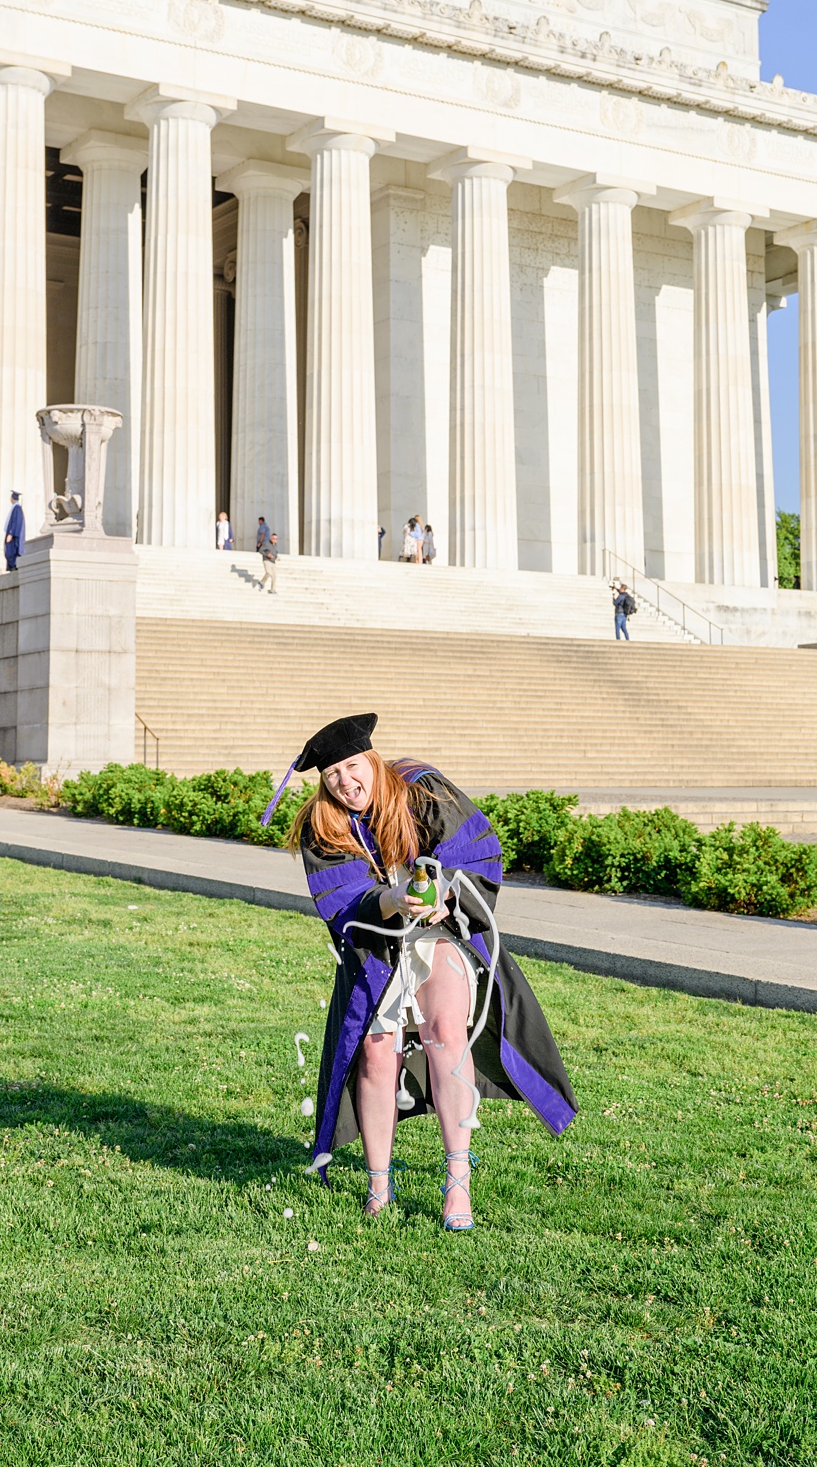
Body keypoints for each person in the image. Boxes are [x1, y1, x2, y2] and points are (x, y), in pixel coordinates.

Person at [275, 713, 576, 1230]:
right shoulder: (321, 826)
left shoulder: (421, 789)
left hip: (444, 931)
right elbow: (343, 905)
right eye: (332, 777)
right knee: (373, 1051)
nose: (346, 783)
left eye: (352, 768)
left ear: (370, 759)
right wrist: (392, 899)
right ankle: (378, 1184)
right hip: (378, 944)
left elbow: (478, 852)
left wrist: (446, 893)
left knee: (444, 1028)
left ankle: (457, 1181)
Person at [254, 516, 279, 594]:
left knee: (274, 576)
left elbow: (276, 552)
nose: (275, 540)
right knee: (269, 573)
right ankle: (262, 582)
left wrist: (277, 557)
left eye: (276, 539)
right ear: (271, 538)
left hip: (273, 561)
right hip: (267, 560)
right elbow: (261, 550)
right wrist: (267, 554)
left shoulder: (275, 545)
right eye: (273, 538)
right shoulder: (266, 543)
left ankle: (273, 590)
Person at [3, 489, 26, 571]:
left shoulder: (17, 508)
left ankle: (14, 565)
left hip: (14, 536)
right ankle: (12, 566)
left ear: (12, 498)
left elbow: (15, 522)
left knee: (11, 550)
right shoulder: (15, 508)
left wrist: (11, 533)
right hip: (13, 534)